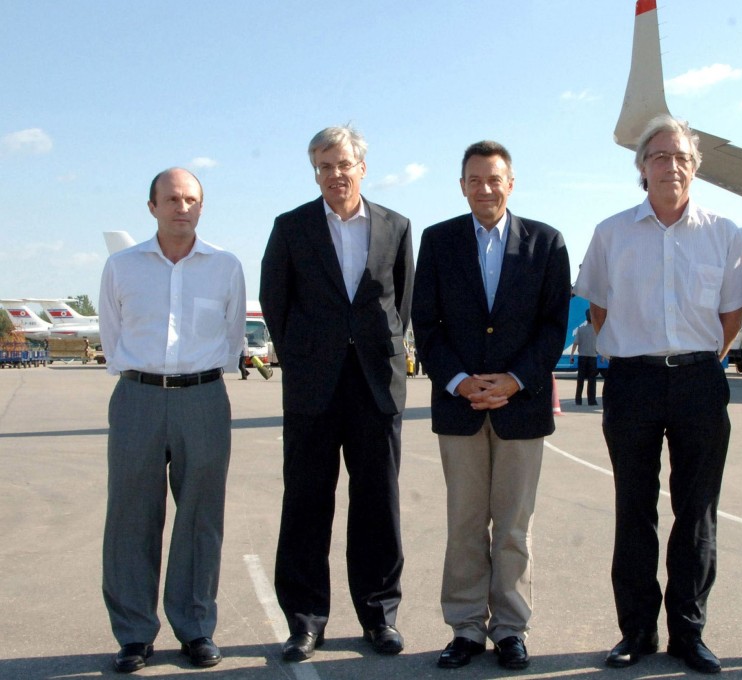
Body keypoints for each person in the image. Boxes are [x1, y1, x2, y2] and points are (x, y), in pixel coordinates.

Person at [574, 115, 742, 674]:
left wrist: (700, 358)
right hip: (633, 381)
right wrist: (638, 352)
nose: (671, 165)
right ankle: (636, 632)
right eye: (659, 156)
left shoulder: (722, 232)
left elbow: (732, 312)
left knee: (697, 512)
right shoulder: (611, 233)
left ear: (694, 167)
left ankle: (689, 632)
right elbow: (598, 308)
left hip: (700, 380)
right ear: (642, 168)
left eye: (681, 157)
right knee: (634, 509)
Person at [412, 140, 571, 671]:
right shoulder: (438, 241)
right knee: (464, 523)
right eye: (475, 180)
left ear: (511, 183)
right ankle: (464, 628)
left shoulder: (546, 242)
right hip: (459, 407)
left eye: (494, 179)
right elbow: (426, 324)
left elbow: (553, 326)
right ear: (462, 186)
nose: (485, 189)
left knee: (513, 528)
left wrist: (515, 380)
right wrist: (459, 382)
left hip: (521, 408)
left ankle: (509, 628)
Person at [260, 125, 414, 662]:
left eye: (343, 164)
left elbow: (401, 301)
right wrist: (305, 357)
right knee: (306, 503)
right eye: (324, 166)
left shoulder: (396, 226)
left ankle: (379, 616)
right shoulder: (291, 227)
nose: (335, 174)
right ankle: (305, 621)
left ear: (362, 168)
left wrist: (375, 349)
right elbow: (275, 301)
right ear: (315, 173)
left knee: (378, 506)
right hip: (313, 388)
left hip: (376, 385)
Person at [99, 167, 245, 673]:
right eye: (172, 199)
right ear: (152, 207)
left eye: (191, 199)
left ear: (201, 207)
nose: (182, 207)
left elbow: (232, 336)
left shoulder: (225, 266)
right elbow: (112, 332)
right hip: (137, 396)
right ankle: (134, 634)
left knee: (201, 517)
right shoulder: (122, 267)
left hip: (203, 398)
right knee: (130, 517)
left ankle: (196, 627)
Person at [569, 308, 600, 405]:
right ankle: (592, 400)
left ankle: (578, 399)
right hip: (593, 357)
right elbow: (600, 344)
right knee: (592, 380)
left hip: (582, 357)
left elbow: (575, 343)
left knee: (580, 379)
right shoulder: (596, 330)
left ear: (586, 318)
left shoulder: (581, 330)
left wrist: (571, 355)